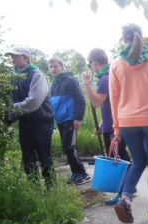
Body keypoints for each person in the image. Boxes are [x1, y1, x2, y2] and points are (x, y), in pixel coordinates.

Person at [109, 24, 148, 224]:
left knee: (138, 161)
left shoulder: (116, 65)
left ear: (123, 40)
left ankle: (125, 198)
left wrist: (117, 128)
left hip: (127, 121)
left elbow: (114, 99)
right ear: (141, 38)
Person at [82, 48, 131, 205]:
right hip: (114, 123)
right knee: (122, 155)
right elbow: (110, 104)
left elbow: (96, 102)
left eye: (91, 64)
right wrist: (103, 124)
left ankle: (124, 192)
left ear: (94, 62)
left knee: (119, 158)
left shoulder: (105, 78)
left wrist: (87, 85)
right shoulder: (111, 75)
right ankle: (128, 188)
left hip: (116, 126)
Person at [6, 47, 55, 185]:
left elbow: (33, 102)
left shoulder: (36, 75)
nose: (12, 59)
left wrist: (11, 108)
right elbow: (10, 97)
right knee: (28, 157)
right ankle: (34, 188)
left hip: (41, 122)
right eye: (12, 56)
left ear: (26, 58)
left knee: (44, 157)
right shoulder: (14, 77)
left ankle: (50, 188)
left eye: (16, 56)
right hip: (25, 122)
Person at [48, 57, 89, 185]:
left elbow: (80, 99)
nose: (53, 69)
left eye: (55, 66)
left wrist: (78, 118)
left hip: (70, 119)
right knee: (67, 147)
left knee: (69, 147)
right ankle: (77, 173)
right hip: (60, 120)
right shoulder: (54, 83)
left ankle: (81, 174)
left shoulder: (70, 80)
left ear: (62, 66)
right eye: (50, 67)